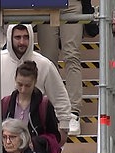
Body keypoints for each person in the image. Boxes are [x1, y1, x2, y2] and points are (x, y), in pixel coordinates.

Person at [0, 23, 73, 153]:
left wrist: (64, 126)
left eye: (26, 37)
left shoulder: (44, 64)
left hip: (33, 136)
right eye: (18, 37)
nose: (22, 42)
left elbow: (60, 97)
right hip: (0, 133)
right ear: (10, 38)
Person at [2, 60, 62, 153]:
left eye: (27, 85)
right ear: (15, 80)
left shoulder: (44, 105)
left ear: (35, 82)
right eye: (19, 84)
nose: (23, 89)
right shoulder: (6, 103)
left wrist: (36, 141)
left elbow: (55, 136)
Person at [37, 0, 83, 135]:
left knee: (72, 55)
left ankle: (73, 112)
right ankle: (52, 110)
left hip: (71, 4)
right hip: (44, 6)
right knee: (48, 60)